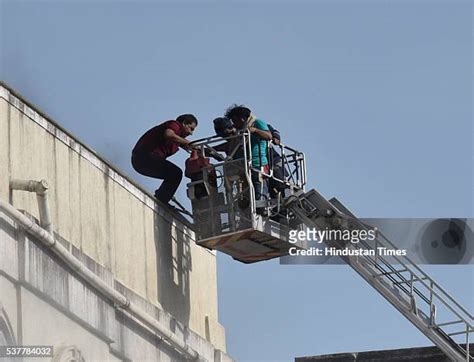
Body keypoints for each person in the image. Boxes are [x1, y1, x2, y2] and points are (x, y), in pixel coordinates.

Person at [131, 114, 197, 205]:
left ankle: (162, 197)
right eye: (191, 128)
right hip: (144, 157)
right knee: (175, 173)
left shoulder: (177, 137)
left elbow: (191, 147)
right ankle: (161, 199)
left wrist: (209, 152)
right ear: (185, 123)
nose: (191, 133)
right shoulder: (175, 125)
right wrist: (189, 143)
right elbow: (169, 134)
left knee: (173, 175)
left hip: (140, 162)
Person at [224, 105, 272, 207]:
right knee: (245, 195)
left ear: (242, 118)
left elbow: (269, 136)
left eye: (234, 120)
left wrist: (255, 130)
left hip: (257, 163)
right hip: (242, 165)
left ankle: (261, 207)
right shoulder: (239, 131)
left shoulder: (257, 123)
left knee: (258, 190)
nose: (233, 124)